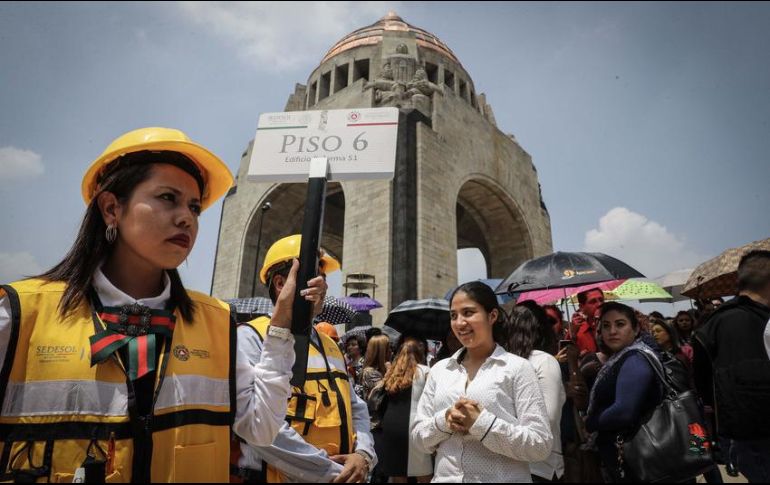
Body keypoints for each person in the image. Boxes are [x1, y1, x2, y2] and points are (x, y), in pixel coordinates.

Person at [0, 127, 309, 482]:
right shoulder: (22, 314)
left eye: (194, 207)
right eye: (167, 198)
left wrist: (282, 323)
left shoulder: (218, 323)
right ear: (112, 208)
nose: (187, 218)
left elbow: (260, 428)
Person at [234, 235, 377, 483]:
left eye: (324, 278)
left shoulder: (330, 344)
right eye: (315, 277)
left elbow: (355, 407)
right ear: (280, 283)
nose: (324, 286)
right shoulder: (251, 337)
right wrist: (332, 473)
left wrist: (363, 455)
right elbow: (261, 429)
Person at [412, 281, 553, 482]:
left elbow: (540, 445)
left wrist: (482, 423)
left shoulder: (517, 368)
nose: (460, 323)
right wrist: (445, 420)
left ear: (492, 316)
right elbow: (419, 440)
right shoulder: (439, 371)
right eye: (453, 315)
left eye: (468, 313)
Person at [693, 250, 770, 483]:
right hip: (754, 437)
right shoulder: (744, 322)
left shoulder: (712, 326)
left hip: (738, 437)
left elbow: (703, 385)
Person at [585, 302, 664, 482]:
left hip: (639, 458)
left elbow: (624, 412)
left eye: (620, 324)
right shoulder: (621, 357)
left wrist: (590, 422)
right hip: (628, 457)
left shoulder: (635, 359)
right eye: (606, 326)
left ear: (636, 329)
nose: (612, 331)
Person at [501, 305, 566, 482]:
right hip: (539, 465)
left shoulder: (502, 363)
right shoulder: (544, 361)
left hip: (508, 463)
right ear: (542, 328)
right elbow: (549, 417)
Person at [371, 338, 433, 483]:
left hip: (391, 426)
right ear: (420, 354)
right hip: (415, 426)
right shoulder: (425, 371)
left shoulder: (391, 373)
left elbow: (373, 395)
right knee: (424, 474)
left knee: (398, 474)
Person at [572, 288, 605, 355]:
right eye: (593, 302)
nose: (599, 304)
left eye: (601, 300)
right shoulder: (577, 332)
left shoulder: (614, 326)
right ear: (581, 307)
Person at [360, 335, 391, 402]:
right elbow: (380, 389)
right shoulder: (369, 372)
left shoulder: (383, 368)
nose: (391, 351)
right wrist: (389, 371)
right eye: (389, 347)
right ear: (382, 351)